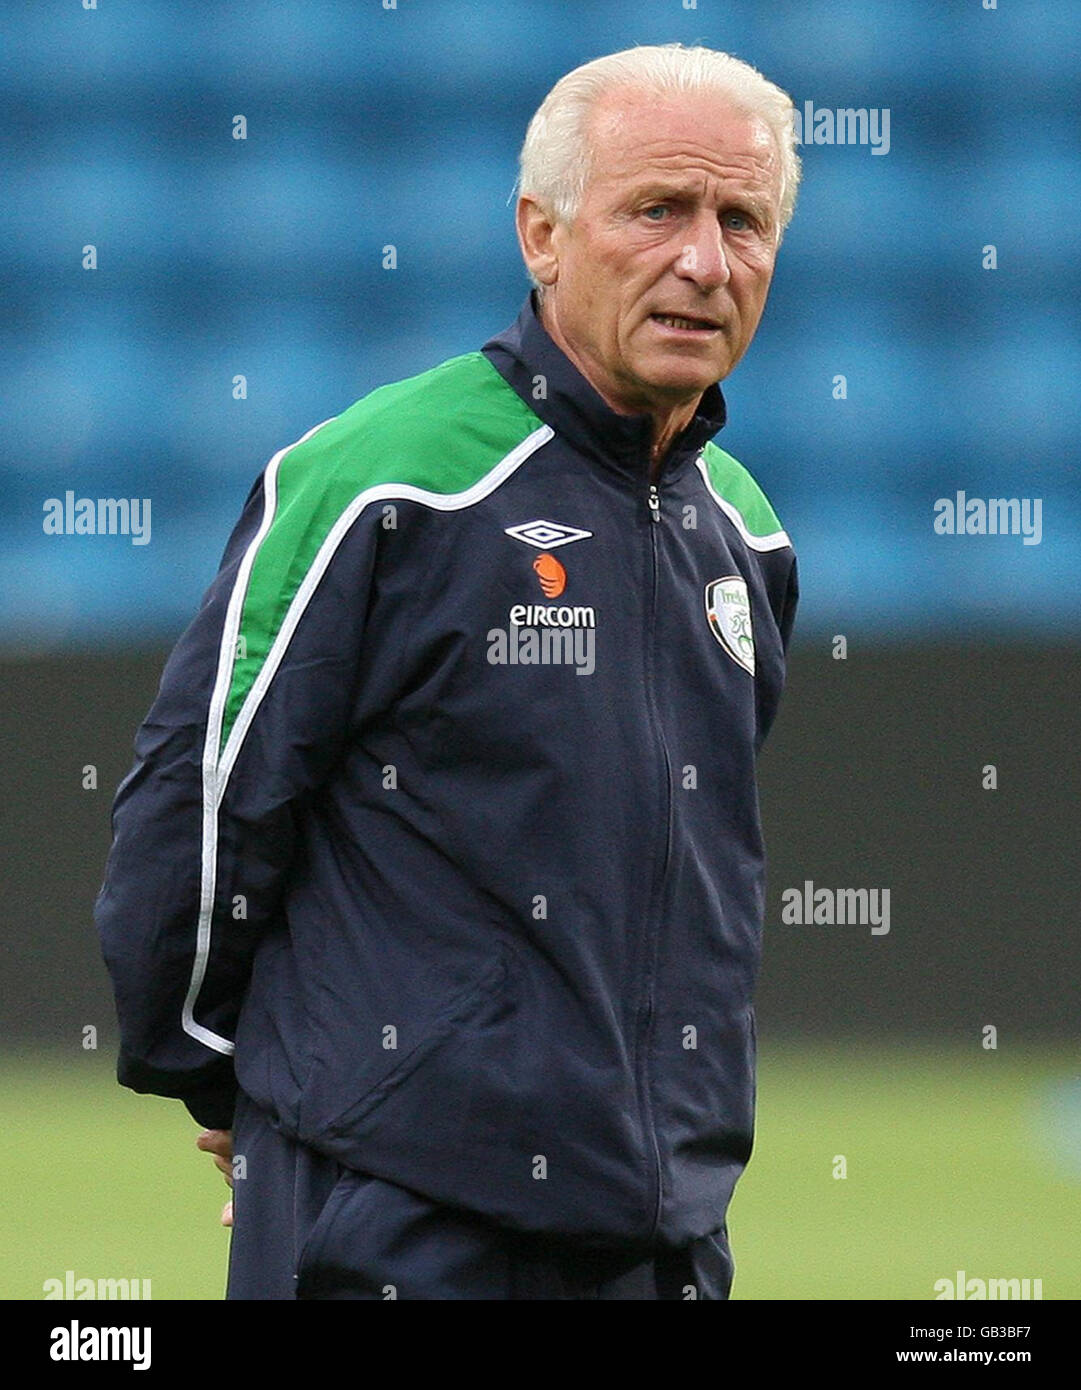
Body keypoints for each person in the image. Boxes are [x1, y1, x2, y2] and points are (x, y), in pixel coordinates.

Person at [95, 42, 801, 1300]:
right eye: (657, 210)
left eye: (742, 220)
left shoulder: (744, 532)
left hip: (663, 1234)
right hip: (397, 1221)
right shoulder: (385, 480)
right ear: (542, 234)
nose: (705, 261)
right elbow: (198, 808)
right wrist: (228, 1077)